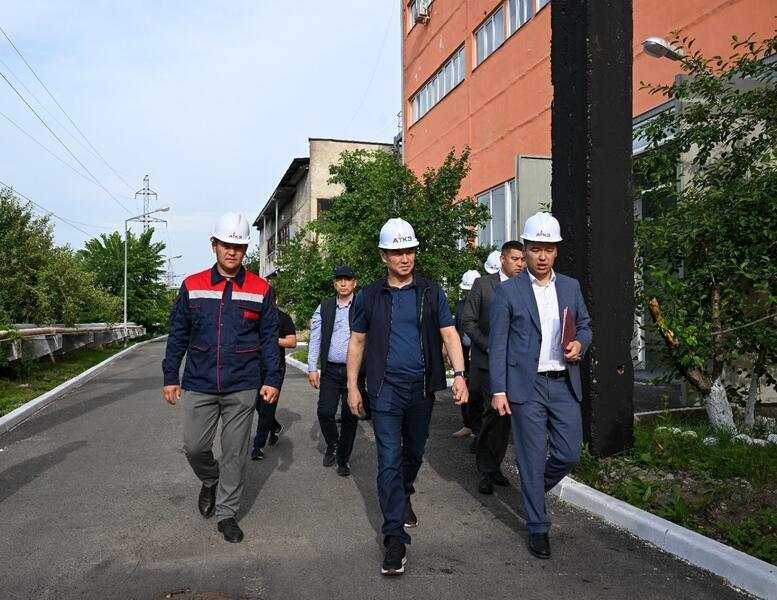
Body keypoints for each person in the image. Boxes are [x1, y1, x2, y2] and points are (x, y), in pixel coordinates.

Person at [346, 217, 469, 576]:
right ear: (383, 255)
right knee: (389, 459)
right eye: (397, 252)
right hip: (384, 390)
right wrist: (352, 386)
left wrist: (460, 375)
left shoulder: (431, 291)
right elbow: (357, 341)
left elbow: (449, 334)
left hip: (421, 388)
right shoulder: (369, 296)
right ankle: (394, 538)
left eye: (410, 251)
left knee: (413, 452)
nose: (405, 258)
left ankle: (403, 493)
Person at [162, 212, 282, 544]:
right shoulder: (193, 286)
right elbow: (178, 334)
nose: (232, 252)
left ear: (245, 250)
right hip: (199, 382)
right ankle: (210, 479)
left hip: (242, 384)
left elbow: (269, 339)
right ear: (213, 245)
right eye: (226, 245)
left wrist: (272, 379)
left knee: (235, 452)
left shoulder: (260, 289)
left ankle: (227, 514)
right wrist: (170, 375)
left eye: (238, 246)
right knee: (194, 447)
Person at [489, 212, 592, 560]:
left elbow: (586, 326)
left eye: (548, 249)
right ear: (526, 249)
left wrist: (579, 343)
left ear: (556, 250)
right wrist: (498, 390)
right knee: (531, 458)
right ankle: (537, 526)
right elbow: (498, 344)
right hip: (526, 387)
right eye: (535, 249)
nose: (542, 256)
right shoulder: (509, 291)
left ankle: (532, 489)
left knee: (568, 453)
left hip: (563, 383)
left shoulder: (570, 287)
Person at [462, 241, 525, 494]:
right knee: (494, 413)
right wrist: (488, 346)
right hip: (488, 362)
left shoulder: (527, 286)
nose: (520, 264)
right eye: (515, 259)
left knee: (504, 417)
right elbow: (468, 321)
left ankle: (493, 465)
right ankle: (487, 470)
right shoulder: (483, 285)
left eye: (522, 260)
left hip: (517, 364)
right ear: (502, 259)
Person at [307, 265, 363, 476]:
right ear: (334, 284)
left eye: (347, 279)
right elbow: (316, 338)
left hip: (354, 372)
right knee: (324, 411)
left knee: (350, 415)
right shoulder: (325, 306)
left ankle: (343, 458)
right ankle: (333, 443)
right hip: (331, 370)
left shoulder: (362, 305)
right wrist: (312, 367)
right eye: (339, 280)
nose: (343, 283)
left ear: (354, 283)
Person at [251, 293, 296, 460]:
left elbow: (292, 342)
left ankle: (258, 446)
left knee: (267, 407)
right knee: (257, 405)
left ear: (277, 300)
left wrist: (271, 339)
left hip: (275, 368)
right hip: (254, 367)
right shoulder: (255, 318)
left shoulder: (283, 318)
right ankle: (275, 426)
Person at [452, 269, 480, 438]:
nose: (469, 293)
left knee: (477, 392)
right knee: (463, 388)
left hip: (479, 353)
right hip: (463, 352)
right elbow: (456, 329)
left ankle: (478, 428)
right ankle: (467, 424)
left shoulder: (486, 303)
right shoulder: (461, 305)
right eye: (466, 290)